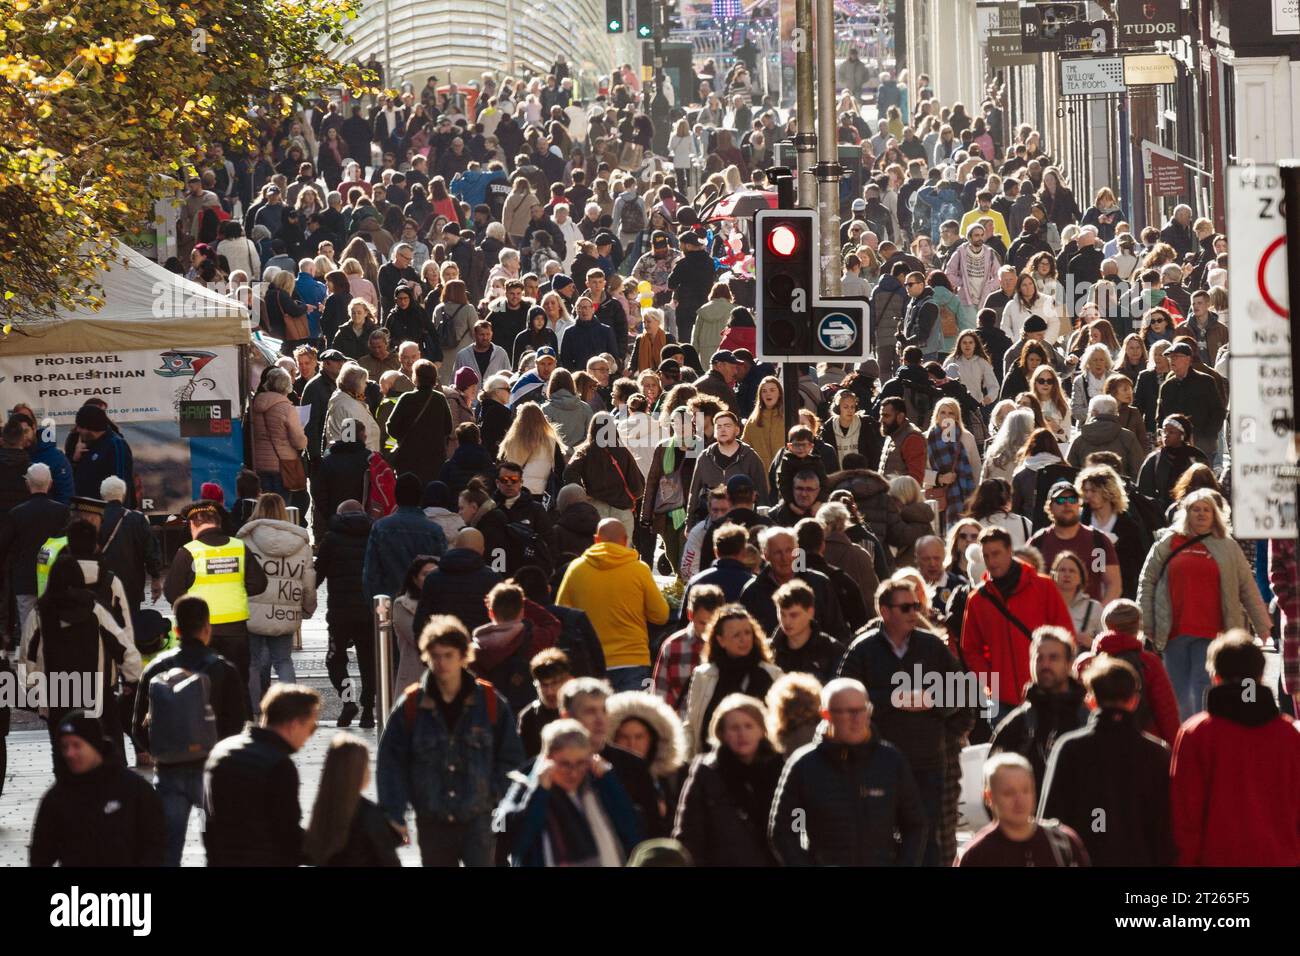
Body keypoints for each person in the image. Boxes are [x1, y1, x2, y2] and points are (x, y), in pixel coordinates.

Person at [837, 576, 970, 865]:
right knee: (878, 834)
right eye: (906, 607)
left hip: (927, 761)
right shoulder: (863, 650)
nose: (914, 613)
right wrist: (893, 699)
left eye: (916, 606)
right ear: (884, 611)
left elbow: (964, 691)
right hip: (875, 762)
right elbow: (843, 696)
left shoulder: (932, 646)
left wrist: (936, 706)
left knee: (927, 834)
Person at [378, 615, 523, 866]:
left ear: (462, 657)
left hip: (478, 818)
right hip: (432, 817)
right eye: (435, 656)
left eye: (448, 655)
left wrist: (492, 795)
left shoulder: (489, 702)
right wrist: (395, 813)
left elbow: (511, 757)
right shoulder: (412, 705)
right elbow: (391, 762)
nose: (441, 663)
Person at [131, 594, 248, 865]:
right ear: (207, 628)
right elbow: (238, 723)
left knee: (169, 848)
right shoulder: (223, 669)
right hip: (211, 774)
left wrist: (159, 749)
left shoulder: (157, 668)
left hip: (170, 771)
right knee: (217, 845)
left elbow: (136, 724)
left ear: (176, 630)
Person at [1137, 489, 1271, 720]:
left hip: (1213, 632)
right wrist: (1145, 621)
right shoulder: (1168, 542)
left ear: (1215, 514)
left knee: (1202, 685)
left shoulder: (1227, 546)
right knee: (1177, 689)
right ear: (1185, 513)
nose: (1201, 514)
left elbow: (1247, 587)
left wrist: (1263, 626)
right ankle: (1180, 738)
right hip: (1173, 630)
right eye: (1195, 509)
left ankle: (1201, 732)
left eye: (1206, 510)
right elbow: (1147, 581)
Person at [1170, 630, 1300, 866]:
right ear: (1261, 676)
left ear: (1215, 677)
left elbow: (1185, 815)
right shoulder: (1289, 734)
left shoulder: (1196, 733)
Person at [769, 677, 927, 866]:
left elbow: (915, 824)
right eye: (849, 712)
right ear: (827, 715)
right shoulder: (804, 765)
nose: (858, 719)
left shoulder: (891, 760)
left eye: (863, 710)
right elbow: (782, 831)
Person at [961, 527, 1075, 721]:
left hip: (1045, 691)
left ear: (1009, 551)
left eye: (996, 553)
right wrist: (991, 683)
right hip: (1001, 700)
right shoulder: (977, 600)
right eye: (986, 556)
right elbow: (970, 649)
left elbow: (1065, 634)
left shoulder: (1043, 586)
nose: (991, 561)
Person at [493, 718, 641, 866]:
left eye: (580, 763)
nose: (574, 773)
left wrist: (608, 780)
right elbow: (510, 837)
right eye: (565, 764)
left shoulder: (598, 786)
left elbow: (632, 830)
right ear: (547, 759)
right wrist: (539, 792)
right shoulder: (524, 784)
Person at [203, 683, 321, 867]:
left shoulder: (221, 750)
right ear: (294, 724)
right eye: (312, 726)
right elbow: (287, 832)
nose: (310, 735)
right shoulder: (279, 765)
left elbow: (206, 820)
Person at [30, 712, 165, 867]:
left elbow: (155, 844)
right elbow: (40, 855)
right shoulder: (56, 798)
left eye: (77, 745)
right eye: (65, 747)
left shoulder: (135, 790)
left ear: (94, 744)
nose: (70, 753)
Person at [163, 498, 268, 691]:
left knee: (202, 688)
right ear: (218, 522)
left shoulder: (188, 552)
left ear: (193, 525)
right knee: (237, 687)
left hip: (200, 633)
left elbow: (171, 592)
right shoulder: (239, 547)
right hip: (236, 631)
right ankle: (239, 720)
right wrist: (235, 588)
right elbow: (259, 583)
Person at [555, 518, 669, 693]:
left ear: (596, 540)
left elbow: (561, 615)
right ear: (625, 540)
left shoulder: (575, 570)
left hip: (589, 662)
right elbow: (661, 616)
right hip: (632, 659)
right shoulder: (639, 570)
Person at [672, 694, 783, 866]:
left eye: (748, 726)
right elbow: (689, 833)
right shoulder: (706, 772)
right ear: (722, 733)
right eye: (734, 727)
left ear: (762, 730)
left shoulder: (781, 769)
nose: (742, 734)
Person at [238, 493, 315, 715]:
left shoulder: (246, 541)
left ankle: (254, 709)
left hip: (252, 610)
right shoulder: (299, 543)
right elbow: (308, 582)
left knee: (252, 662)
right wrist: (308, 607)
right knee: (283, 660)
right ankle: (292, 709)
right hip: (285, 610)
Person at [988, 626, 1088, 784]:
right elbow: (991, 785)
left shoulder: (1087, 721)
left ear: (1069, 664)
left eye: (1053, 658)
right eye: (1039, 658)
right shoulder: (1017, 723)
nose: (1045, 665)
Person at [957, 752, 1089, 866]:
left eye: (1026, 790)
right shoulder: (976, 855)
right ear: (989, 797)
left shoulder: (1063, 844)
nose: (1019, 801)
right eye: (1009, 793)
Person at [314, 499, 375, 727]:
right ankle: (368, 710)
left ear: (340, 515)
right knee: (369, 662)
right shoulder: (373, 535)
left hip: (340, 613)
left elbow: (318, 574)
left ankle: (348, 700)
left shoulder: (332, 538)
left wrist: (305, 601)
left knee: (336, 659)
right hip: (369, 611)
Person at [304, 733, 402, 867]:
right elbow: (388, 860)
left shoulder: (324, 809)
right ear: (358, 771)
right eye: (366, 765)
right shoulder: (368, 813)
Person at [0, 465, 68, 636]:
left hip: (25, 580)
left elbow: (4, 546)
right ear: (50, 483)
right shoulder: (63, 512)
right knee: (52, 630)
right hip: (55, 579)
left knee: (27, 633)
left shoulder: (17, 513)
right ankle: (49, 663)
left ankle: (24, 664)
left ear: (28, 484)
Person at [1028, 479, 1121, 604]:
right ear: (1050, 507)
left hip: (1087, 620)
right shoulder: (1038, 542)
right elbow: (1024, 583)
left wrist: (1098, 616)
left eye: (1072, 500)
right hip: (1049, 618)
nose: (1067, 504)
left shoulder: (1098, 541)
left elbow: (1113, 585)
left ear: (1079, 505)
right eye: (1060, 500)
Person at [562, 412, 645, 539]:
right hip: (622, 510)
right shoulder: (622, 451)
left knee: (599, 550)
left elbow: (569, 472)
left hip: (596, 507)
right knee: (621, 553)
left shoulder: (586, 451)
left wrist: (583, 494)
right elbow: (638, 485)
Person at [413, 526, 503, 636]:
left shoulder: (433, 578)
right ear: (482, 550)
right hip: (480, 647)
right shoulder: (493, 579)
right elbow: (501, 624)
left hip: (443, 646)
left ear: (455, 546)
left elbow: (420, 624)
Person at [386, 359, 454, 485]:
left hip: (409, 458)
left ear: (415, 377)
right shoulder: (440, 399)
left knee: (409, 492)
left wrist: (404, 437)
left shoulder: (407, 398)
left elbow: (391, 426)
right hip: (435, 458)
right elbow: (448, 428)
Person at [1155, 341, 1226, 458]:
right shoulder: (1167, 386)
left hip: (1202, 447)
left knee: (1202, 476)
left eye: (1176, 357)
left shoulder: (1206, 381)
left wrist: (1207, 435)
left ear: (1188, 359)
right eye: (1170, 357)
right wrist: (1163, 437)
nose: (1172, 360)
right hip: (1174, 447)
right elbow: (1161, 417)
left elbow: (1218, 411)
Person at [70, 403, 135, 506]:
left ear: (90, 427)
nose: (78, 430)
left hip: (105, 514)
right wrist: (75, 460)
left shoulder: (116, 444)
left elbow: (120, 485)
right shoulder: (85, 444)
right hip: (87, 511)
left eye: (80, 426)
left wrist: (114, 515)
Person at [517, 648, 571, 758]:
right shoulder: (529, 717)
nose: (549, 691)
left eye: (554, 683)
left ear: (566, 681)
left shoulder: (579, 709)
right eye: (544, 685)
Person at [877, 397, 927, 484]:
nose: (881, 420)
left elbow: (915, 480)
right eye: (881, 415)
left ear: (900, 417)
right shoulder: (892, 432)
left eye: (886, 416)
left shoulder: (912, 438)